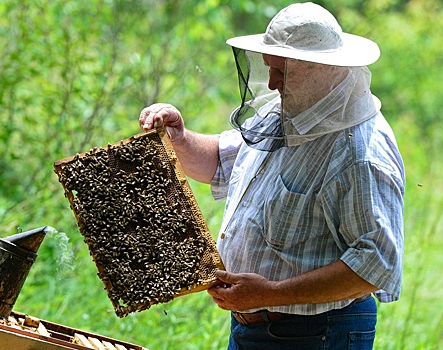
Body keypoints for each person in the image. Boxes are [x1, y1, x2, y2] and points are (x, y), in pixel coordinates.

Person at [139, 2, 404, 349]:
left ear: (323, 69)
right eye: (270, 69)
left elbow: (377, 264)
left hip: (318, 334)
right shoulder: (286, 113)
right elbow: (221, 162)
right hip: (254, 328)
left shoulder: (360, 152)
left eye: (283, 71)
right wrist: (179, 138)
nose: (273, 81)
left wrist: (272, 293)